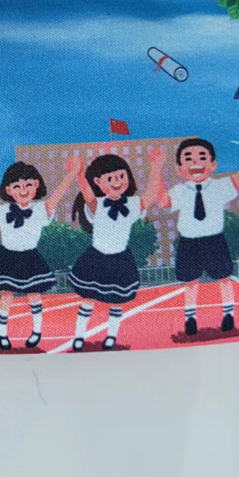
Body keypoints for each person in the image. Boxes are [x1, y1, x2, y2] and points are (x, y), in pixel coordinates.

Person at [156, 136, 239, 335]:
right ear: (179, 169)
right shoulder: (179, 190)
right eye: (188, 158)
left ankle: (228, 314)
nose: (195, 162)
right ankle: (190, 318)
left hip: (214, 240)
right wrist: (156, 169)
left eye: (202, 157)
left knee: (224, 278)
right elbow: (163, 202)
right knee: (191, 282)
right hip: (189, 243)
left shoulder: (218, 187)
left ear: (213, 165)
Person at [0, 157, 81, 350]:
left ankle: (37, 332)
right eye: (17, 186)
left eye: (28, 185)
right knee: (6, 296)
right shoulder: (2, 210)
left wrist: (73, 172)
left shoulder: (40, 209)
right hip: (8, 257)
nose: (23, 190)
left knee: (34, 295)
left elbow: (59, 194)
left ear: (36, 185)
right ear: (8, 190)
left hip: (30, 257)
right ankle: (2, 334)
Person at [67, 148, 165, 350]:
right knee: (88, 298)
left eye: (121, 176)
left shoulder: (132, 204)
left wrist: (156, 167)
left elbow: (149, 196)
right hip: (97, 257)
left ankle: (111, 336)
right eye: (110, 178)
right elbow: (87, 195)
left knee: (117, 301)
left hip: (120, 258)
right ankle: (79, 336)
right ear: (98, 182)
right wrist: (79, 173)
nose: (117, 181)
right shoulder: (98, 204)